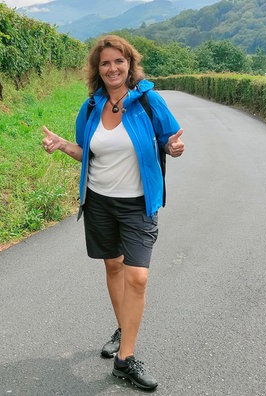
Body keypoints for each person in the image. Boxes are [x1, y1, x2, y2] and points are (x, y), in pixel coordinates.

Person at [41, 35, 184, 390]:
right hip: (100, 201)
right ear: (97, 69)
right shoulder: (91, 106)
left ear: (129, 64)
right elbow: (85, 151)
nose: (112, 68)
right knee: (114, 266)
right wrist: (62, 146)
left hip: (138, 203)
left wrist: (174, 146)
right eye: (105, 63)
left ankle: (125, 359)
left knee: (137, 277)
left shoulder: (149, 101)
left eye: (118, 61)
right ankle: (124, 331)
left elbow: (169, 138)